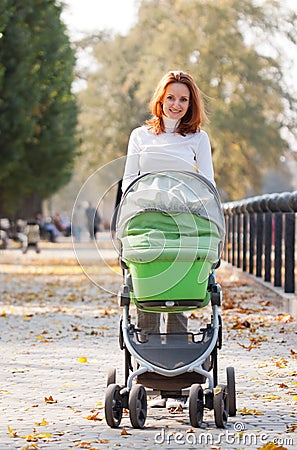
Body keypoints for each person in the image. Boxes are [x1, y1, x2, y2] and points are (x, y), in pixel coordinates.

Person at [121, 70, 215, 409]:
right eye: (171, 97)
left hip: (185, 219)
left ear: (191, 104)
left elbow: (207, 183)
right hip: (148, 217)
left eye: (183, 99)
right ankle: (147, 368)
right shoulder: (140, 136)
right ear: (160, 99)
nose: (176, 104)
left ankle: (176, 374)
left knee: (179, 290)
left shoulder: (197, 139)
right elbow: (130, 179)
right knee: (147, 290)